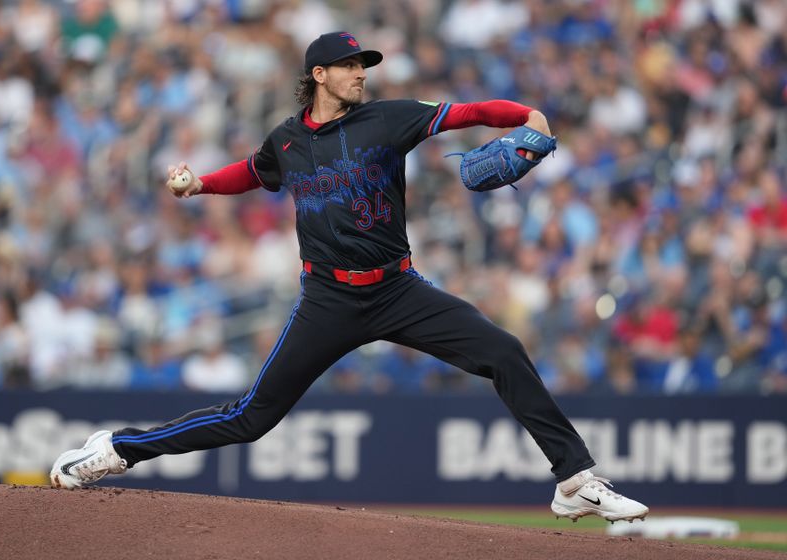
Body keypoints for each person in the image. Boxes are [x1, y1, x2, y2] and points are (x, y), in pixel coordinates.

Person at [51, 31, 648, 523]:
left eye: (363, 64)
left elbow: (468, 113)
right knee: (250, 418)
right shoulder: (286, 139)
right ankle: (117, 449)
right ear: (319, 75)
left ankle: (574, 479)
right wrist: (202, 183)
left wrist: (529, 115)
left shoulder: (388, 119)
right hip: (328, 298)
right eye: (349, 65)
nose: (361, 72)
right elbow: (257, 172)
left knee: (503, 351)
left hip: (398, 289)